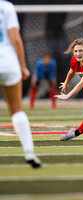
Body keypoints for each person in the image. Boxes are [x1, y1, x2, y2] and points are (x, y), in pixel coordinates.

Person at [0, 0, 41, 168]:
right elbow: (15, 38)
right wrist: (23, 65)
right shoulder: (6, 7)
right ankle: (29, 151)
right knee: (16, 111)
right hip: (8, 63)